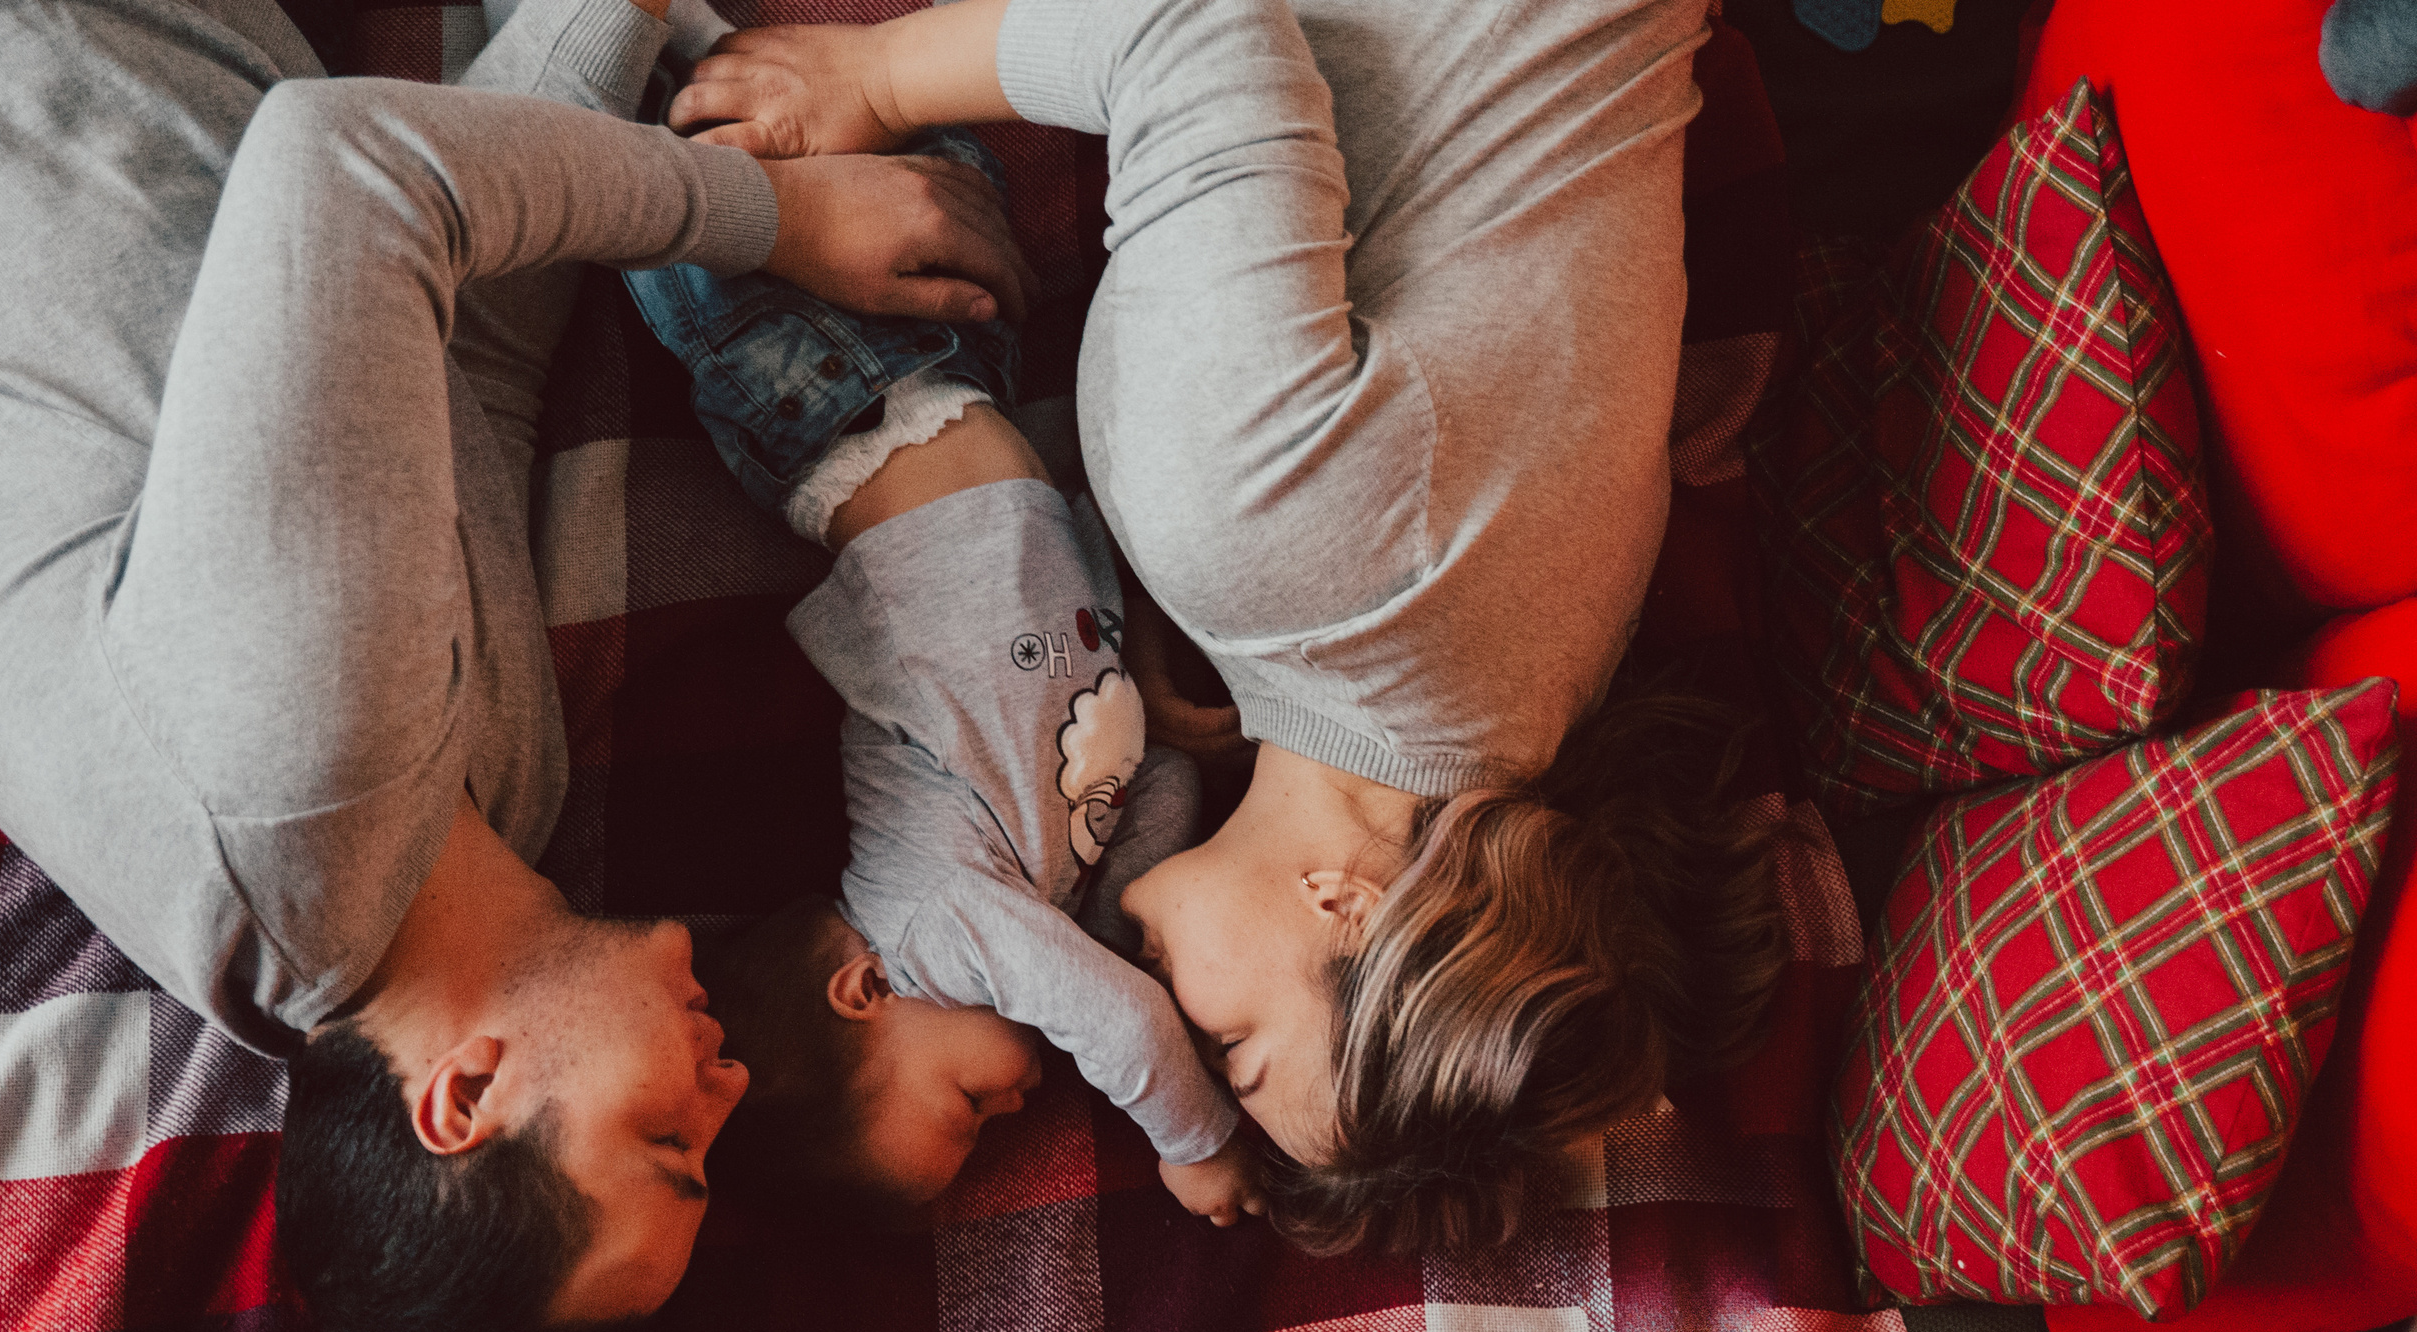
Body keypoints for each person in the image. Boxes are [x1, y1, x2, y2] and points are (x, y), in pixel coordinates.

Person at [0, 0, 1031, 1332]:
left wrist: (768, 218)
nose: (728, 1092)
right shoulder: (487, 824)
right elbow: (459, 368)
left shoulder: (298, 784)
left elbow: (350, 169)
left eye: (665, 1143)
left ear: (463, 1095)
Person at [670, 0, 1791, 1252]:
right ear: (1346, 908)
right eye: (1237, 1048)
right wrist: (871, 79)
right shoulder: (1250, 539)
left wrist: (1176, 606)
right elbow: (1185, 36)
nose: (1176, 1022)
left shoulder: (1528, 703)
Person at [626, 163, 1252, 1219]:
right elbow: (1161, 786)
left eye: (963, 1106)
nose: (1015, 1106)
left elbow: (1121, 1029)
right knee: (871, 149)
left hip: (834, 391)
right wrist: (1117, 918)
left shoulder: (927, 927)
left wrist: (1195, 1142)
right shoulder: (1032, 895)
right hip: (958, 380)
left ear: (864, 995)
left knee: (663, 186)